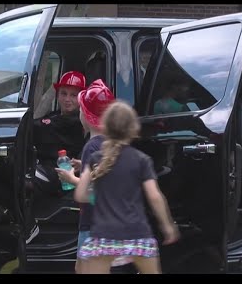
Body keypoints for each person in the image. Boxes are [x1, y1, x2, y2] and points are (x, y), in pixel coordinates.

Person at [74, 101, 180, 274]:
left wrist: (99, 197)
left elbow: (80, 195)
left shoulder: (95, 158)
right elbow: (154, 197)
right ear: (134, 129)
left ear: (105, 127)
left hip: (103, 237)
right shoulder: (141, 160)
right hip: (137, 235)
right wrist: (167, 226)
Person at [54, 79, 118, 273]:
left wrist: (71, 179)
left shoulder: (91, 146)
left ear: (87, 117)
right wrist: (84, 166)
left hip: (93, 225)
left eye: (81, 109)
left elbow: (94, 191)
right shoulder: (108, 142)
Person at [25, 71, 87, 244]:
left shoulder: (75, 122)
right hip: (46, 168)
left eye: (74, 95)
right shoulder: (56, 116)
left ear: (82, 98)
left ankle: (28, 226)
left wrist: (52, 90)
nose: (68, 99)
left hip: (59, 174)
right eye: (63, 94)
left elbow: (34, 123)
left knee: (21, 178)